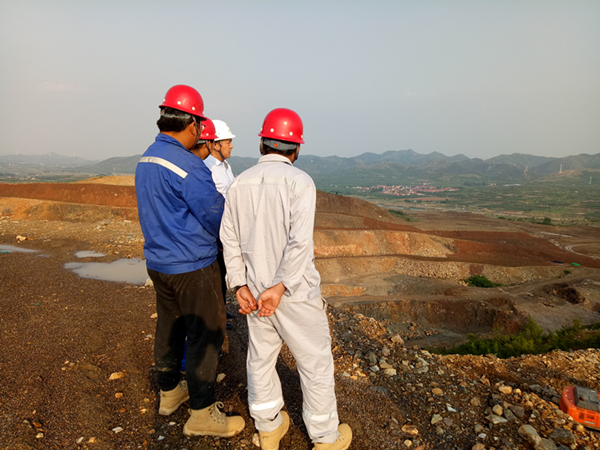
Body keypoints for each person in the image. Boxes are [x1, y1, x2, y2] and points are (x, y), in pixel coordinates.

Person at [220, 108, 352, 450]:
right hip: (293, 293)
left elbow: (229, 239)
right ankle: (325, 438)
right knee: (314, 362)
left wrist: (239, 285)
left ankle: (268, 428)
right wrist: (280, 287)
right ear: (296, 149)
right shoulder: (300, 182)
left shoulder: (238, 184)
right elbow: (299, 243)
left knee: (260, 359)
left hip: (255, 292)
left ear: (262, 144)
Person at [135, 84, 245, 438]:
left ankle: (169, 393)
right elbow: (216, 216)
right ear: (194, 124)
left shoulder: (147, 158)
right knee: (206, 331)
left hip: (159, 263)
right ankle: (202, 414)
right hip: (192, 265)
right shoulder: (187, 164)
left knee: (170, 326)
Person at [203, 119, 235, 195]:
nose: (231, 146)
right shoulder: (208, 167)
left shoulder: (226, 165)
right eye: (228, 143)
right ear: (216, 145)